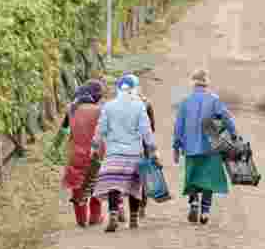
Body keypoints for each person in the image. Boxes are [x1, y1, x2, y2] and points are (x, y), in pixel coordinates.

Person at [91, 73, 160, 231]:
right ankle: (134, 219)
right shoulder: (139, 106)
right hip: (134, 154)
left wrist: (95, 147)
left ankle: (113, 214)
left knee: (113, 185)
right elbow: (146, 131)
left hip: (114, 153)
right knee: (134, 187)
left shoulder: (108, 106)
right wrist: (153, 150)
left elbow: (100, 129)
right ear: (134, 89)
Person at [172, 68, 236, 225]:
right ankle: (205, 212)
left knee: (193, 176)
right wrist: (233, 133)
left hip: (190, 146)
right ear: (206, 83)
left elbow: (178, 126)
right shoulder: (214, 100)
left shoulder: (185, 102)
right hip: (211, 146)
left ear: (193, 84)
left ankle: (194, 202)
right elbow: (227, 118)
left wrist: (176, 145)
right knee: (209, 179)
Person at [60, 79, 107, 228]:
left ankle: (81, 220)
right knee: (95, 184)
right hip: (95, 153)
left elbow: (64, 130)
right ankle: (95, 217)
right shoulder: (100, 111)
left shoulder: (71, 109)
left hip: (76, 153)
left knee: (77, 186)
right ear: (95, 96)